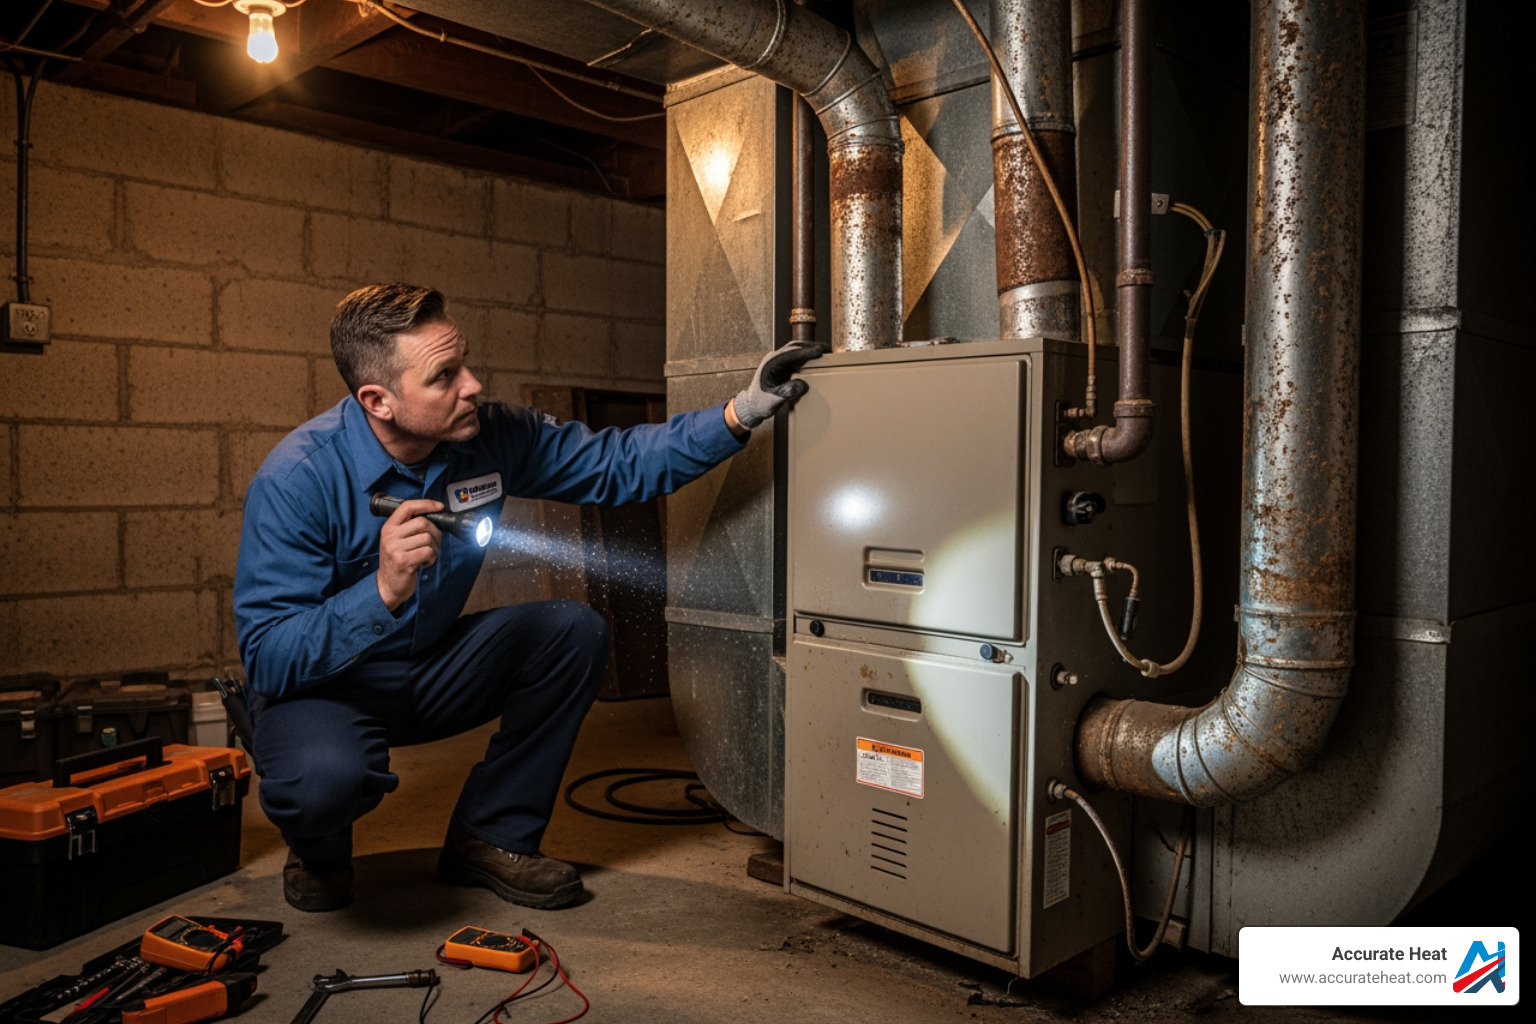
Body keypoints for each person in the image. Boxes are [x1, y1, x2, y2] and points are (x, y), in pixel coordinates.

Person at [233, 283, 820, 913]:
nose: (473, 385)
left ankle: (491, 835)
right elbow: (268, 658)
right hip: (330, 687)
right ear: (378, 400)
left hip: (427, 669)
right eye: (444, 376)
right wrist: (379, 591)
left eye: (464, 363)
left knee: (570, 631)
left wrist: (740, 413)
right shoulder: (297, 479)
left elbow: (617, 463)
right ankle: (318, 850)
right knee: (323, 782)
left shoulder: (489, 436)